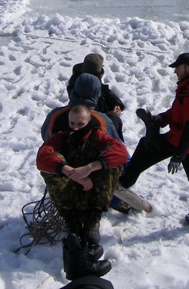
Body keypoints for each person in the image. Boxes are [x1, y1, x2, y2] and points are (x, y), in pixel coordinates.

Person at [119, 52, 189, 228]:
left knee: (148, 149)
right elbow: (179, 111)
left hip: (187, 142)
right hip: (185, 140)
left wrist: (179, 155)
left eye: (177, 68)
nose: (174, 72)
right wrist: (163, 118)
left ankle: (123, 183)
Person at [37, 104, 128, 279]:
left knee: (111, 165)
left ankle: (93, 219)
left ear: (88, 121)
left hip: (94, 187)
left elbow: (120, 152)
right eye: (72, 123)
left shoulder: (98, 136)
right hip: (71, 188)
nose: (75, 128)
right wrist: (71, 172)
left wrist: (89, 168)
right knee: (49, 169)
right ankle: (72, 223)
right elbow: (43, 155)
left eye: (80, 124)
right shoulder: (61, 138)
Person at [42, 73, 121, 141]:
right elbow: (116, 146)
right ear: (97, 94)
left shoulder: (55, 115)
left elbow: (45, 135)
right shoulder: (103, 121)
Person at [66, 54, 126, 141]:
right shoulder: (81, 83)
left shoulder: (85, 79)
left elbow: (105, 91)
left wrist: (116, 103)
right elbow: (88, 104)